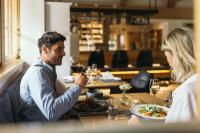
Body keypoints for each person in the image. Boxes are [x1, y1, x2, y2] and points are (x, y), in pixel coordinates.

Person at [128, 27, 199, 124]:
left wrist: (138, 126)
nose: (168, 63)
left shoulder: (186, 92)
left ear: (176, 55)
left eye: (167, 57)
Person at [20, 31, 87, 121]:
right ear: (45, 50)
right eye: (59, 49)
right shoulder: (37, 74)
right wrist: (77, 87)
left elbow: (53, 101)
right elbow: (52, 112)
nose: (63, 53)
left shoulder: (47, 69)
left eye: (63, 49)